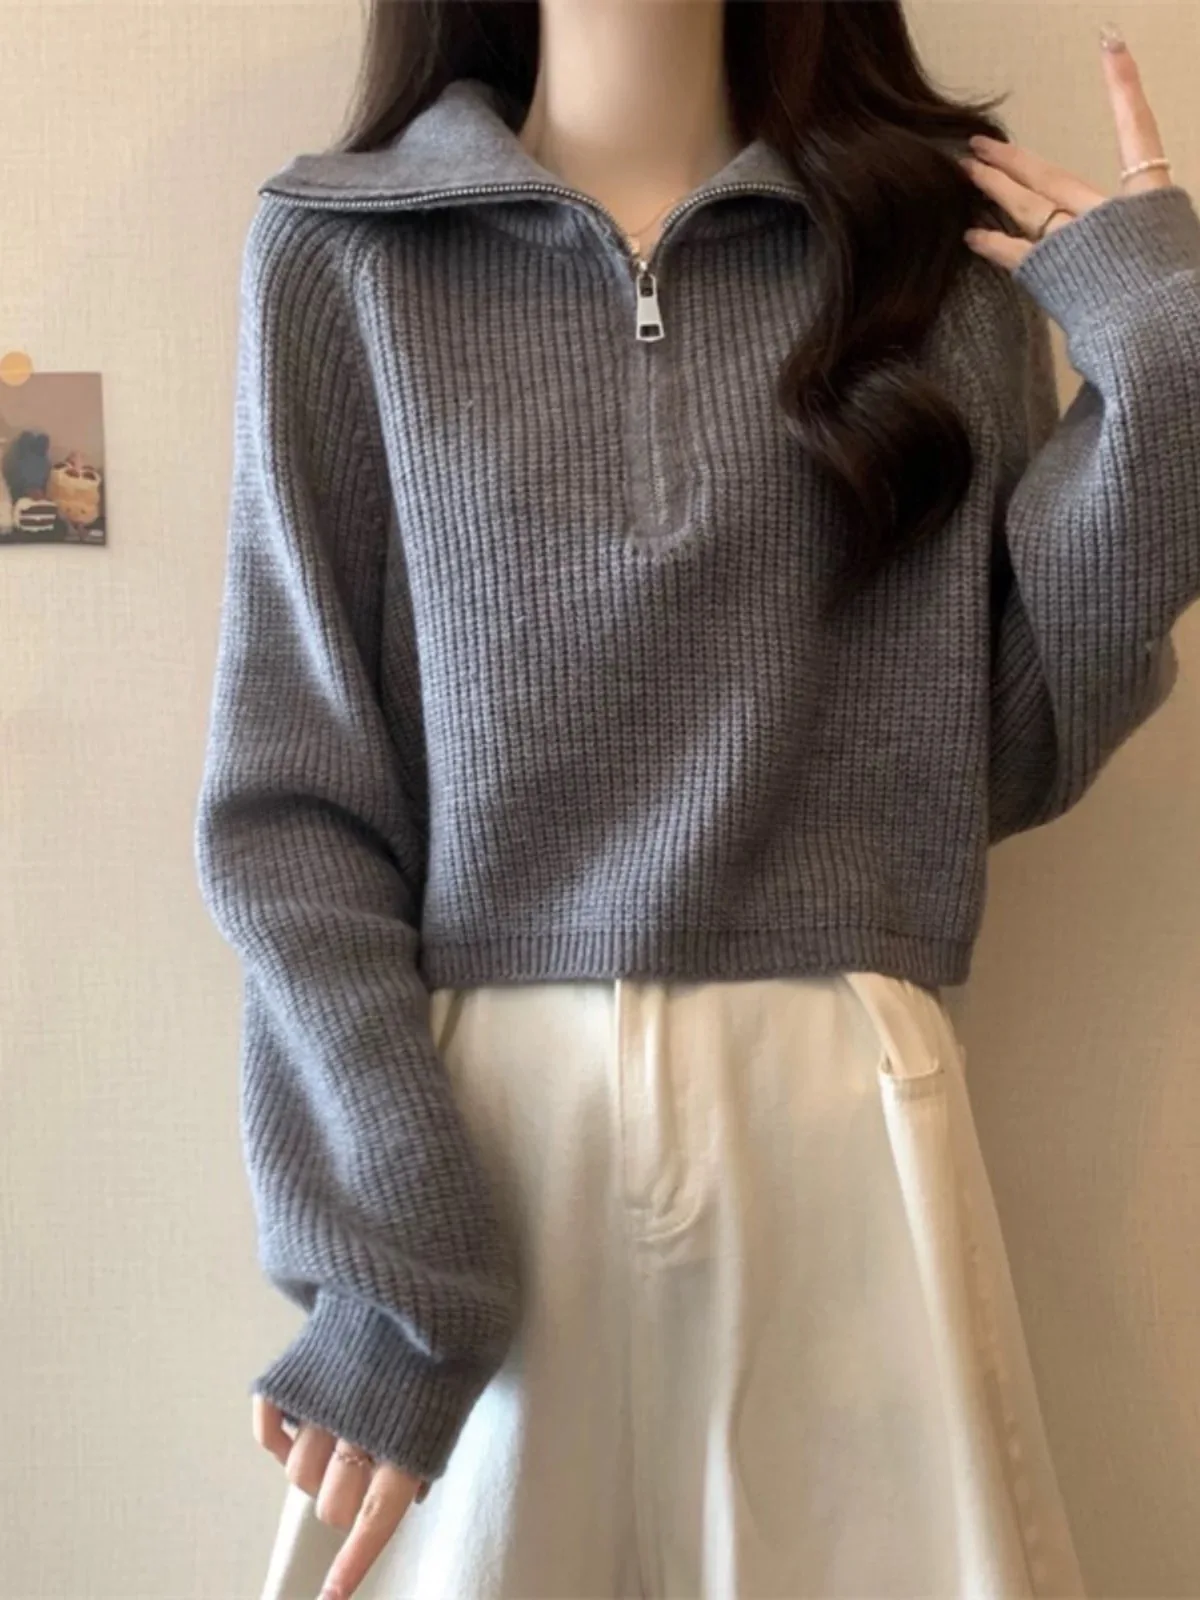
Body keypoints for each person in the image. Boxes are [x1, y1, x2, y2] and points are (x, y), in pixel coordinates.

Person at [192, 2, 1200, 1596]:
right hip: (478, 1144)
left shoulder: (928, 253)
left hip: (842, 1115)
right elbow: (294, 809)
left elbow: (993, 750)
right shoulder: (344, 253)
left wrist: (1173, 380)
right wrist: (388, 1263)